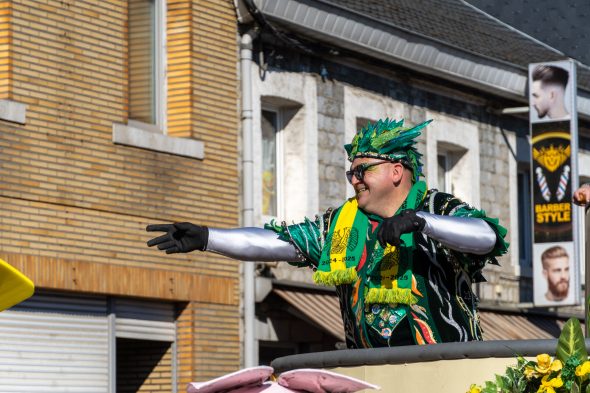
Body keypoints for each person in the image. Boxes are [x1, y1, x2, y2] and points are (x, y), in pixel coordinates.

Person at [147, 118, 508, 348]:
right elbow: (279, 243)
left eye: (362, 170)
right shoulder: (341, 224)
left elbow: (486, 236)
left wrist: (422, 223)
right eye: (351, 172)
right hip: (372, 377)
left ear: (397, 172)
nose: (353, 179)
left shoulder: (434, 205)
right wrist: (208, 237)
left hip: (446, 374)